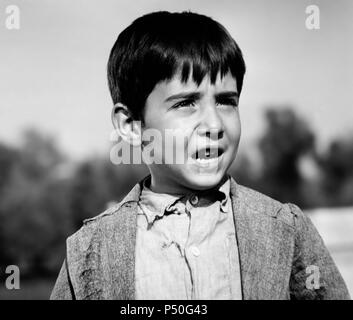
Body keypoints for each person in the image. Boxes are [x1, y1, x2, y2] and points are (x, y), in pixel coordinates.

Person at [50, 11, 350, 300]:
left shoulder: (286, 230)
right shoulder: (90, 250)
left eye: (225, 101)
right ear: (130, 125)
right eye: (186, 103)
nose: (214, 124)